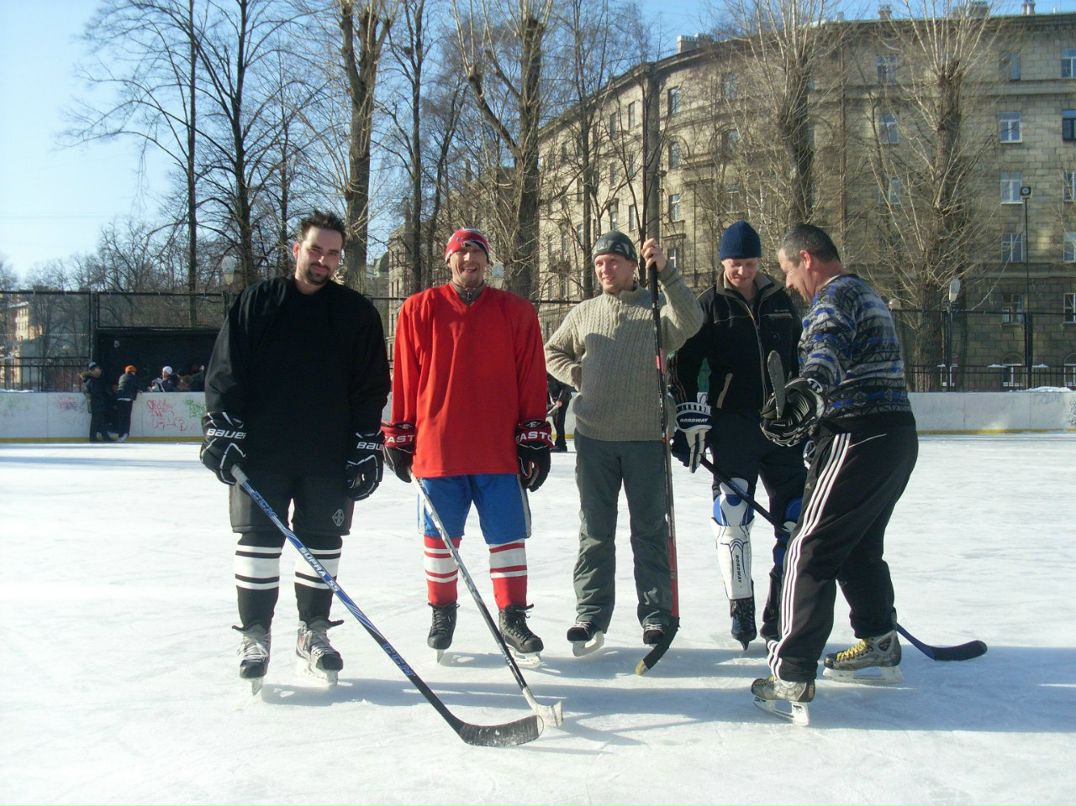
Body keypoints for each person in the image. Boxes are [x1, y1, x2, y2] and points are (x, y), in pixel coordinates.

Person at [200, 209, 390, 689]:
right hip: (261, 452)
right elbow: (226, 370)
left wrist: (367, 442)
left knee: (322, 544)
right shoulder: (258, 302)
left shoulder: (355, 313)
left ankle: (314, 631)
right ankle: (256, 634)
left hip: (328, 453)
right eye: (315, 250)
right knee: (259, 543)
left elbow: (370, 386)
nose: (323, 260)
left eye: (332, 253)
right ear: (296, 250)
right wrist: (222, 427)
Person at [751, 223, 918, 721]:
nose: (790, 285)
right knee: (858, 546)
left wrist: (804, 395)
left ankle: (793, 674)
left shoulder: (832, 299)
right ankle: (879, 641)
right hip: (896, 437)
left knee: (810, 545)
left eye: (788, 271)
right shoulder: (867, 292)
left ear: (807, 258)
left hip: (857, 436)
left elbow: (825, 353)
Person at [383, 228, 552, 660]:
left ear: (488, 261)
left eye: (477, 253)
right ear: (449, 260)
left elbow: (531, 376)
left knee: (508, 537)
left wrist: (535, 435)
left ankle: (512, 617)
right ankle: (443, 613)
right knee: (439, 539)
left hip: (497, 449)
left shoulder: (516, 312)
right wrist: (399, 431)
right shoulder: (418, 309)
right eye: (462, 253)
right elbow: (404, 377)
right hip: (438, 449)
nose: (469, 260)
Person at [545, 231, 703, 650]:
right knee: (595, 531)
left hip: (646, 440)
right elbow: (552, 351)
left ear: (634, 266)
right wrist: (579, 376)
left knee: (649, 531)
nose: (605, 268)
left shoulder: (654, 310)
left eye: (614, 261)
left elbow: (692, 320)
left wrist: (666, 272)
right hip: (595, 440)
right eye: (599, 263)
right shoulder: (585, 312)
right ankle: (591, 614)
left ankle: (655, 615)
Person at [669, 219, 806, 650]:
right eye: (732, 264)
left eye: (747, 263)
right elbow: (685, 366)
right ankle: (741, 604)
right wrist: (691, 417)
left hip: (784, 427)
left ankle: (779, 606)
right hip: (733, 427)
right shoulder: (709, 305)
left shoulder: (782, 301)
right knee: (732, 515)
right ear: (722, 262)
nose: (740, 272)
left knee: (795, 518)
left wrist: (807, 411)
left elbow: (800, 358)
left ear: (758, 262)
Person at [80, 361, 114, 442]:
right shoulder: (91, 381)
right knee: (95, 421)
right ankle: (93, 437)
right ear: (93, 370)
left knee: (101, 421)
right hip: (96, 404)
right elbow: (94, 392)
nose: (100, 370)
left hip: (99, 403)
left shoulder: (97, 380)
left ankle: (105, 436)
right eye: (98, 368)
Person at [546, 374, 573, 452]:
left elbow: (565, 387)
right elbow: (546, 392)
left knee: (559, 422)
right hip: (554, 402)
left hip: (563, 400)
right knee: (556, 422)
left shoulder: (553, 375)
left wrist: (560, 400)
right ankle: (560, 444)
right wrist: (548, 404)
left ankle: (561, 445)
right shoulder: (541, 377)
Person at [115, 365, 141, 442]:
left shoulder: (122, 376)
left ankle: (120, 435)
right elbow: (138, 385)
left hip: (119, 398)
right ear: (133, 372)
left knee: (121, 418)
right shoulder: (133, 377)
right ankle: (125, 433)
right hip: (128, 398)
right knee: (127, 417)